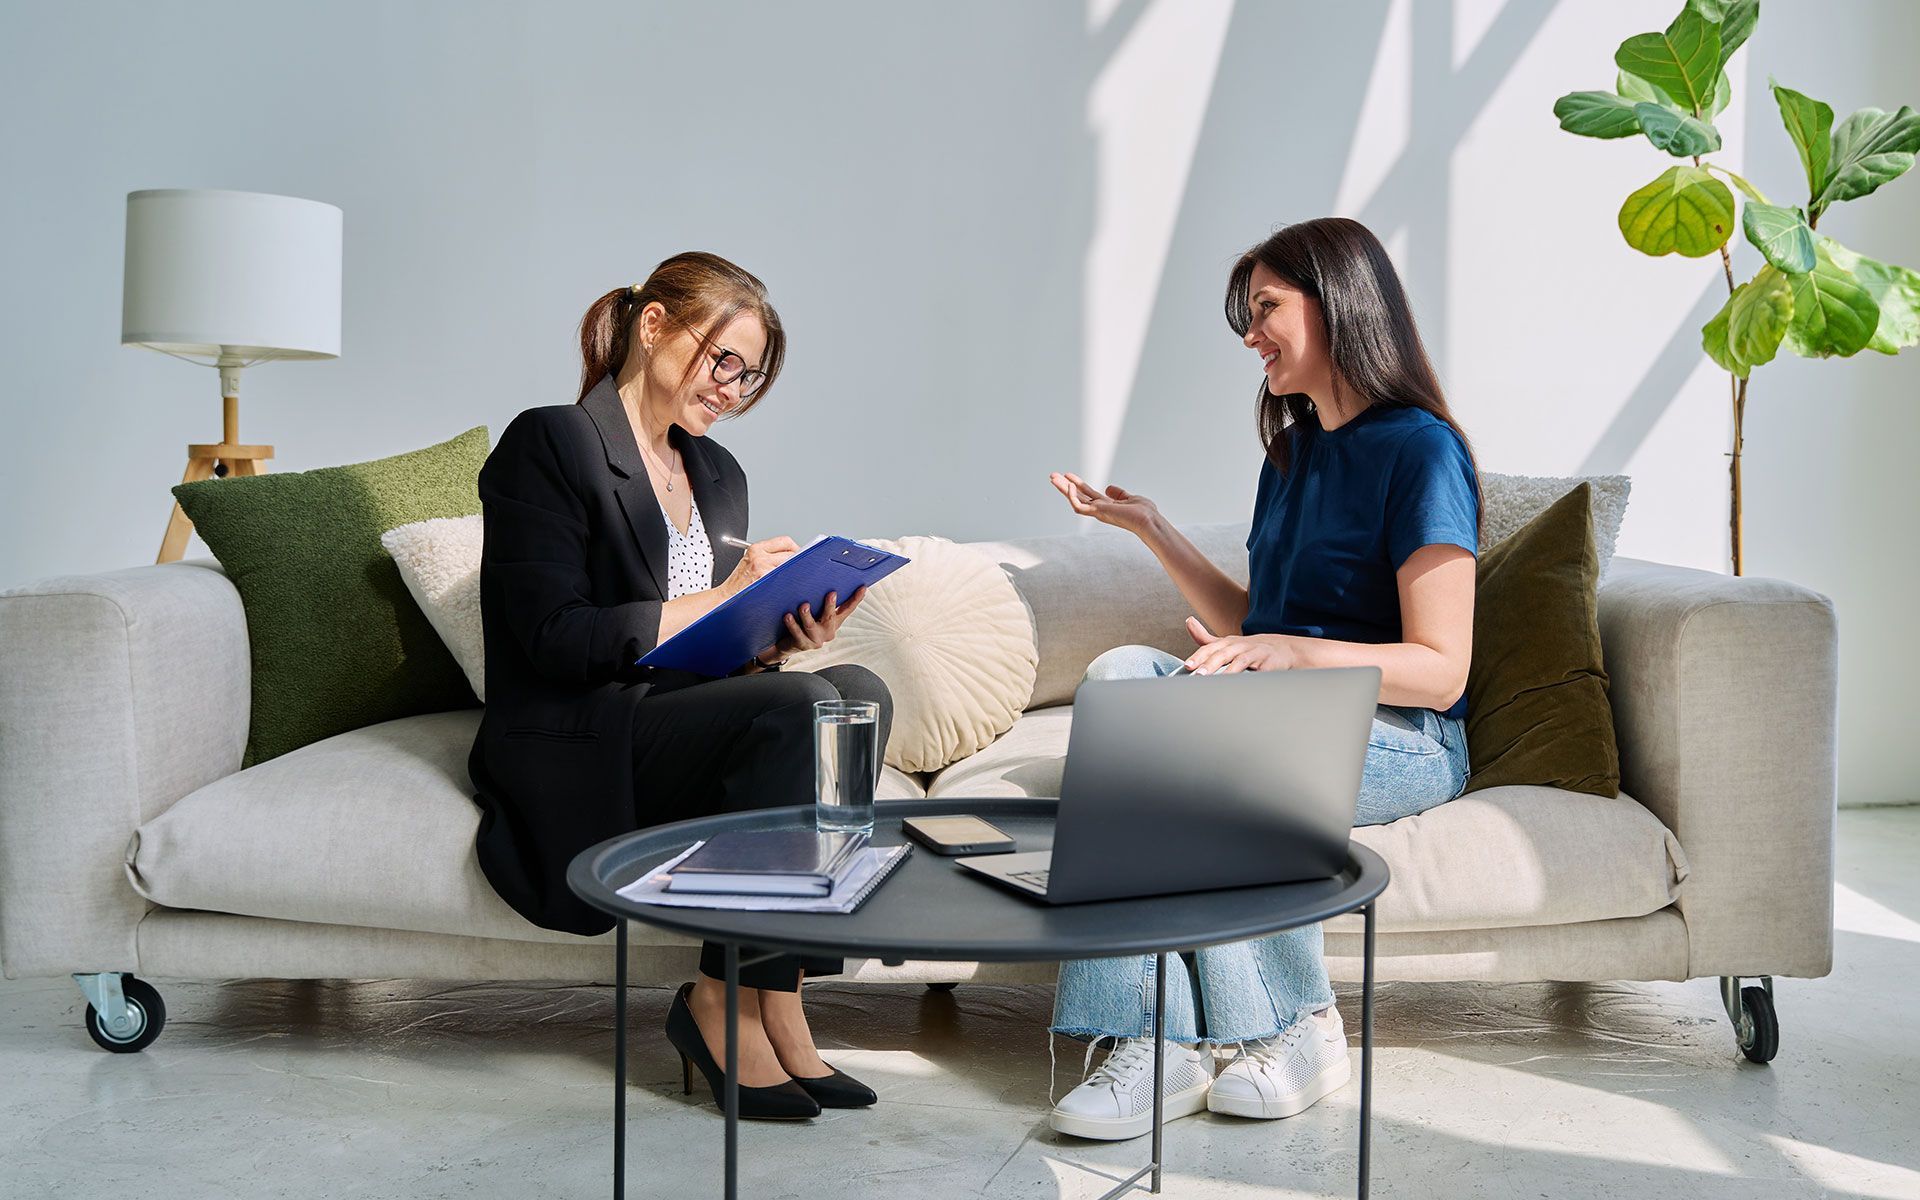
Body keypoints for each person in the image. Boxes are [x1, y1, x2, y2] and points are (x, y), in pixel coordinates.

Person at [1042, 217, 1480, 1141]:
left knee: (1233, 745)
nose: (1250, 335)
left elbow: (1441, 672)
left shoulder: (1422, 450)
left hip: (1399, 730)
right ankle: (1160, 1040)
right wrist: (1155, 529)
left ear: (1341, 305)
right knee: (1122, 677)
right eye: (1249, 314)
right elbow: (1258, 626)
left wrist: (1294, 657)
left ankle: (1299, 1023)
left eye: (1266, 309)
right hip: (1281, 706)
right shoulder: (1291, 453)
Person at [468, 251, 892, 1121]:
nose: (734, 389)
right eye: (724, 360)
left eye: (752, 374)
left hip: (667, 717)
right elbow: (553, 637)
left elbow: (701, 650)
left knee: (853, 693)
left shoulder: (716, 472)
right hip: (575, 729)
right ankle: (720, 1000)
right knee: (807, 708)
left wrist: (772, 640)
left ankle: (781, 1000)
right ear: (653, 324)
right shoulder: (551, 441)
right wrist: (727, 596)